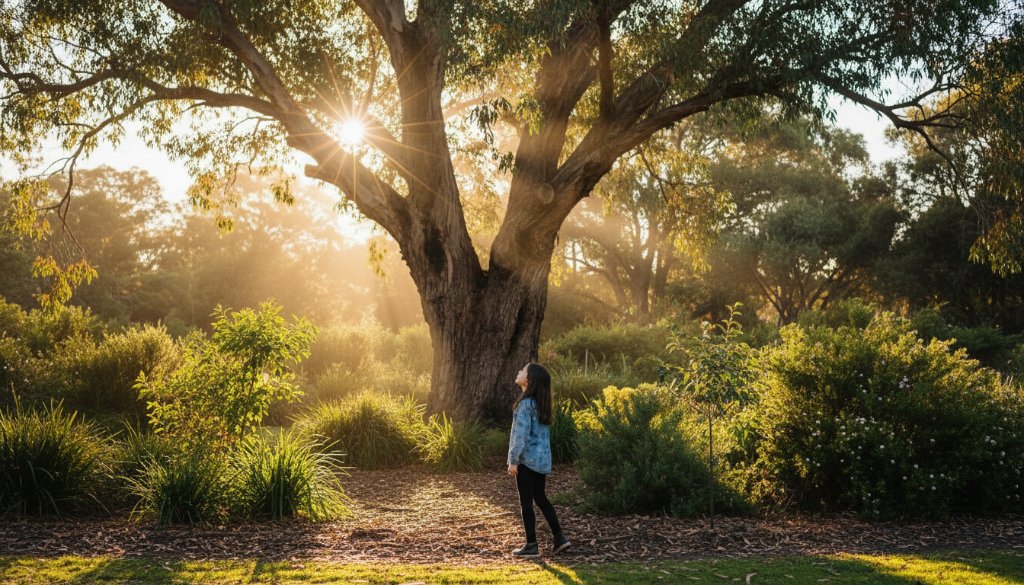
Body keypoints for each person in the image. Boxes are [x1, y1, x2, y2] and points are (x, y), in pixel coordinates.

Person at [507, 362, 571, 557]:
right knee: (541, 498)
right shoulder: (539, 404)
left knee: (526, 503)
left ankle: (531, 545)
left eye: (523, 371)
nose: (519, 371)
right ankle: (560, 538)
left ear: (529, 379)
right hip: (540, 461)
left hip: (526, 461)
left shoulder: (525, 404)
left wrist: (513, 460)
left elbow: (521, 436)